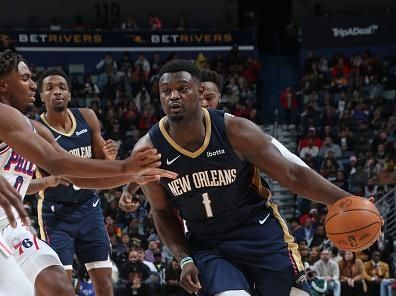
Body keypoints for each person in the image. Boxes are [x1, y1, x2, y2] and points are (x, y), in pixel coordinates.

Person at [130, 59, 365, 295]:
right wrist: (183, 258)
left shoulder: (236, 131)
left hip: (259, 232)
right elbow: (160, 211)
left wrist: (347, 200)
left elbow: (291, 174)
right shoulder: (148, 151)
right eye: (166, 91)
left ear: (200, 91)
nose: (173, 96)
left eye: (182, 89)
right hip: (209, 244)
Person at [0, 49, 176, 296]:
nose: (32, 85)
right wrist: (126, 166)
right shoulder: (2, 114)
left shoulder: (34, 128)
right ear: (3, 85)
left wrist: (131, 176)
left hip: (13, 227)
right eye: (25, 78)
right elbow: (56, 163)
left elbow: (74, 177)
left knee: (60, 287)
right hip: (28, 220)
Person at [27, 68, 119, 296]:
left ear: (69, 94)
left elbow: (100, 161)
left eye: (62, 87)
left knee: (105, 283)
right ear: (41, 96)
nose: (57, 92)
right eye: (50, 88)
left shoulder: (87, 116)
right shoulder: (36, 129)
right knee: (61, 284)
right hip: (55, 213)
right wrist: (50, 180)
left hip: (90, 207)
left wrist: (109, 158)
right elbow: (25, 182)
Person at [0, 176, 34, 295]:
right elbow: (52, 162)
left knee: (57, 281)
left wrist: (48, 182)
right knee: (22, 291)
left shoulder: (34, 160)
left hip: (15, 226)